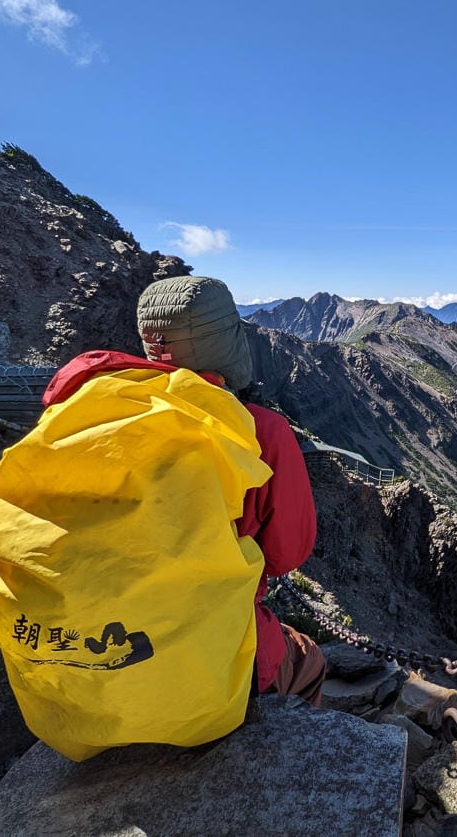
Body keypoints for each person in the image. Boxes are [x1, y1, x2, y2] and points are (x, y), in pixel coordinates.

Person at [134, 275, 325, 705]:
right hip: (216, 646)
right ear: (223, 342)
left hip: (112, 641)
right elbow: (286, 555)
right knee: (310, 663)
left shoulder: (111, 416)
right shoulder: (262, 432)